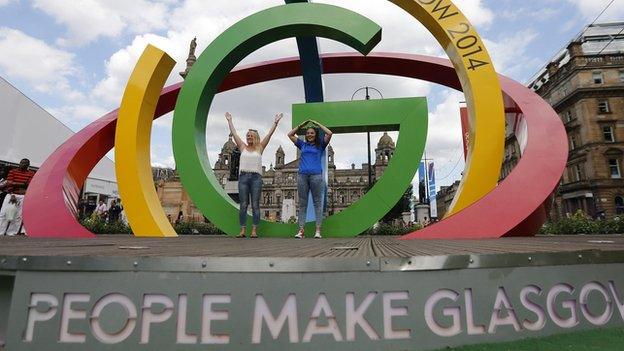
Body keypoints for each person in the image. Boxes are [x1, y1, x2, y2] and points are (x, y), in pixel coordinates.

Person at [226, 111, 282, 238]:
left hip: (256, 178)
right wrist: (230, 121)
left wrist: (275, 122)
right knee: (244, 205)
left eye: (251, 136)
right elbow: (234, 133)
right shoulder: (242, 147)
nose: (248, 137)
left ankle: (254, 231)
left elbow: (269, 134)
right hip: (243, 177)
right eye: (247, 136)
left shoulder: (260, 148)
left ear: (255, 137)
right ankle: (242, 230)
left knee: (256, 205)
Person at [288, 119, 333, 239]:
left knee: (317, 203)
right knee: (302, 204)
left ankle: (318, 230)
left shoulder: (320, 145)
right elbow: (290, 135)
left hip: (316, 176)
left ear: (315, 134)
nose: (309, 135)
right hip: (302, 176)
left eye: (312, 133)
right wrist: (301, 125)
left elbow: (329, 133)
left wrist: (317, 124)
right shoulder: (302, 144)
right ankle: (301, 230)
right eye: (308, 133)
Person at [0, 158, 35, 235]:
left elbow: (29, 184)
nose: (23, 164)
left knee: (18, 216)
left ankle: (11, 233)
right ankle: (1, 232)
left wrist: (15, 183)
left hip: (23, 196)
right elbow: (9, 183)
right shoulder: (13, 171)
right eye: (21, 162)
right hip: (11, 194)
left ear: (28, 165)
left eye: (25, 163)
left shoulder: (31, 173)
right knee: (4, 213)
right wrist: (13, 192)